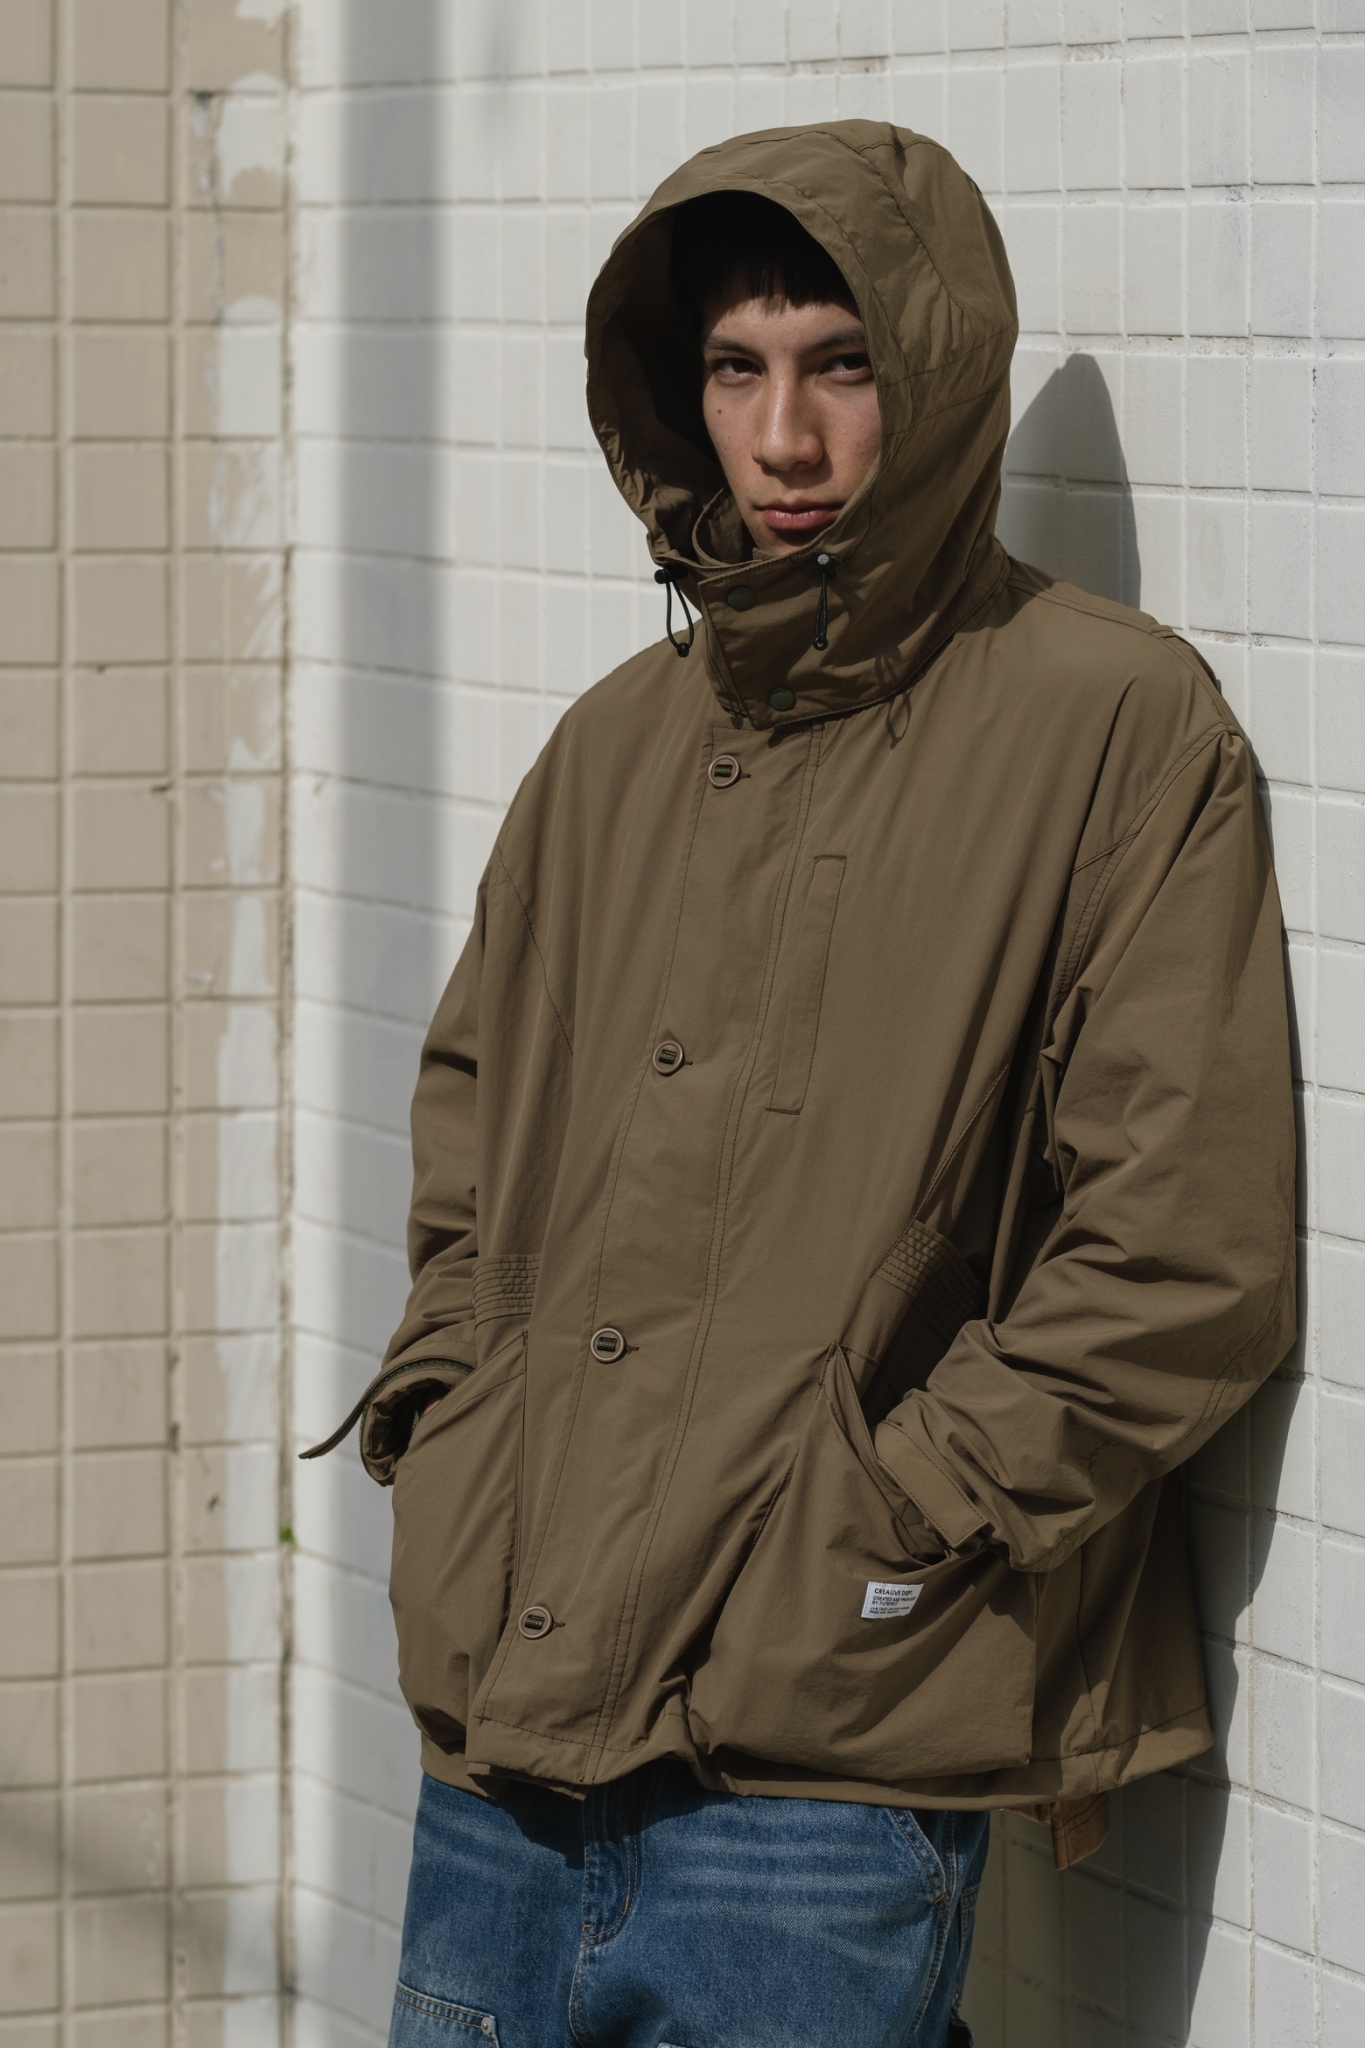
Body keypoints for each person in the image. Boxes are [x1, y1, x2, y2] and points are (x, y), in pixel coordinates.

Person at [305, 121, 1296, 2048]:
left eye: (842, 365)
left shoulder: (1108, 721)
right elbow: (468, 1154)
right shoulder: (612, 748)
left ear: (936, 376)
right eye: (734, 369)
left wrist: (890, 1520)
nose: (782, 438)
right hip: (504, 1723)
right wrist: (454, 1426)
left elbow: (1182, 1254)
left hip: (824, 1760)